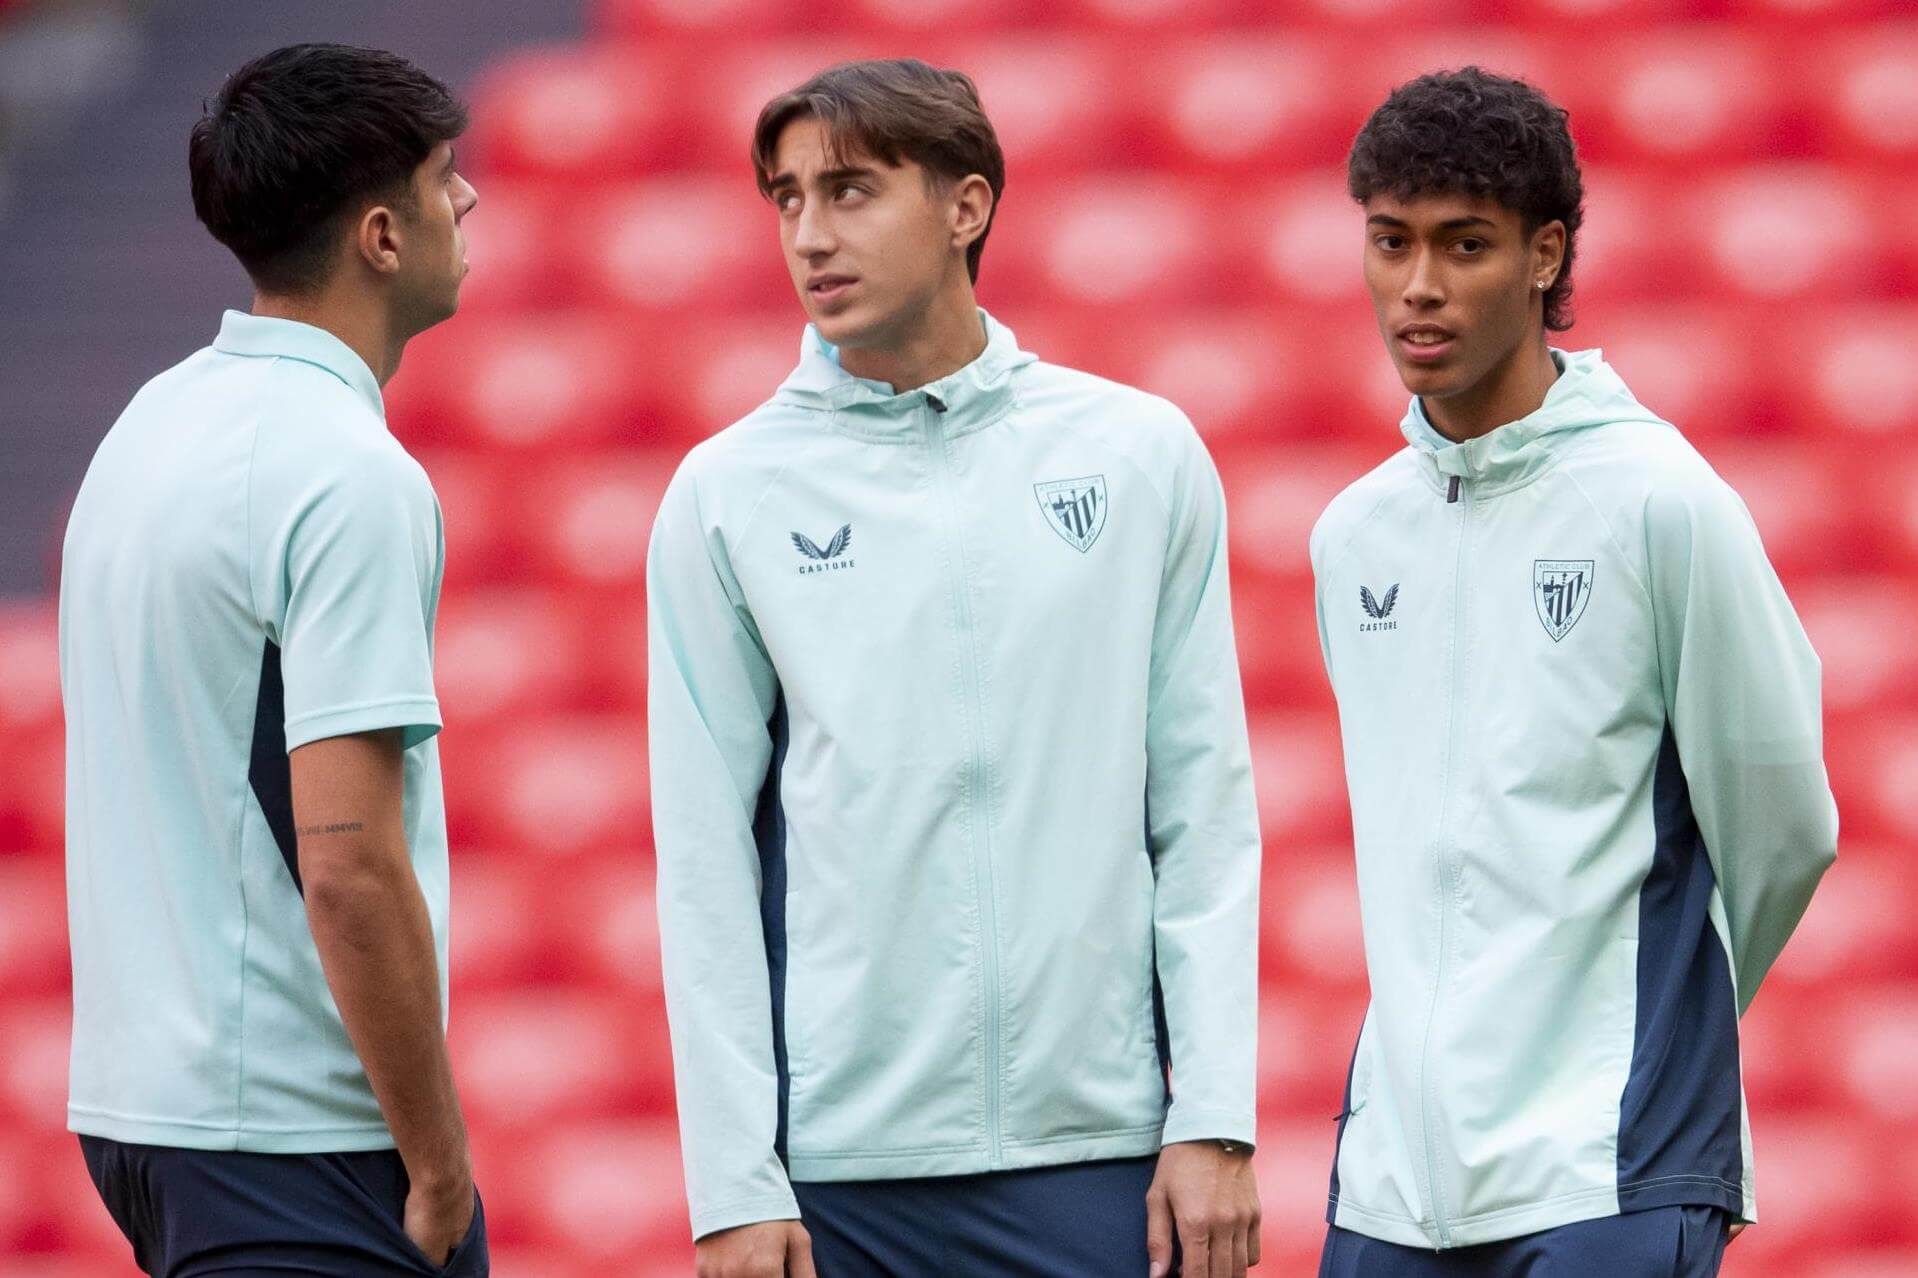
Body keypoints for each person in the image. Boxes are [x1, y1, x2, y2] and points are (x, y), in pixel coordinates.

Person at [646, 58, 1264, 1278]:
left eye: (851, 192)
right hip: (841, 1177)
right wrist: (730, 1182)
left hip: (1099, 1155)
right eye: (786, 200)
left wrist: (1216, 1117)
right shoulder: (726, 494)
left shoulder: (1138, 454)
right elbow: (702, 861)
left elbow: (1203, 812)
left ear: (966, 206)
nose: (810, 237)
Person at [1309, 67, 1838, 1278]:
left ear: (1546, 255)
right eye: (1390, 243)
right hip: (1396, 1179)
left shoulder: (1663, 504)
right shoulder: (1353, 536)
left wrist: (1639, 1035)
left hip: (1607, 1162)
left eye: (1465, 244)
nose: (1418, 286)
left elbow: (1783, 822)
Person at [59, 43, 486, 1276]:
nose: (468, 201)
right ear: (381, 236)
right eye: (443, 177)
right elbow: (349, 865)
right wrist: (440, 1156)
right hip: (296, 1135)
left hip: (147, 1112)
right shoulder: (347, 474)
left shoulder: (148, 424)